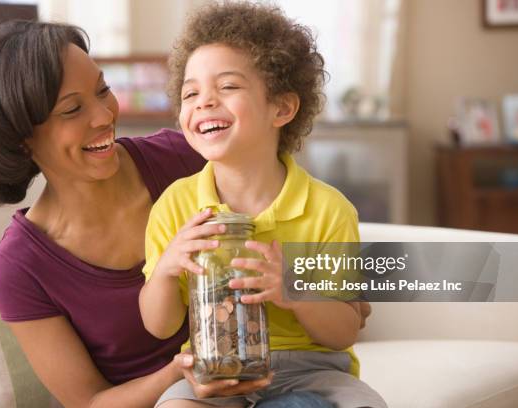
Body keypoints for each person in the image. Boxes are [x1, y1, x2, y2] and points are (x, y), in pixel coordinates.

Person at [0, 20, 341, 408]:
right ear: (20, 138)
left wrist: (346, 286)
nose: (104, 117)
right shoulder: (19, 267)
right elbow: (91, 402)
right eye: (72, 110)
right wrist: (182, 373)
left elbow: (302, 211)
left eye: (103, 91)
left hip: (286, 376)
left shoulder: (185, 158)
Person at [139, 2, 387, 408]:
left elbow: (344, 331)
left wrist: (292, 290)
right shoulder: (176, 205)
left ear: (282, 108)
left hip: (313, 369)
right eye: (190, 92)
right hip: (214, 370)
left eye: (228, 86)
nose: (203, 101)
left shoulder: (327, 209)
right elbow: (158, 325)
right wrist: (167, 268)